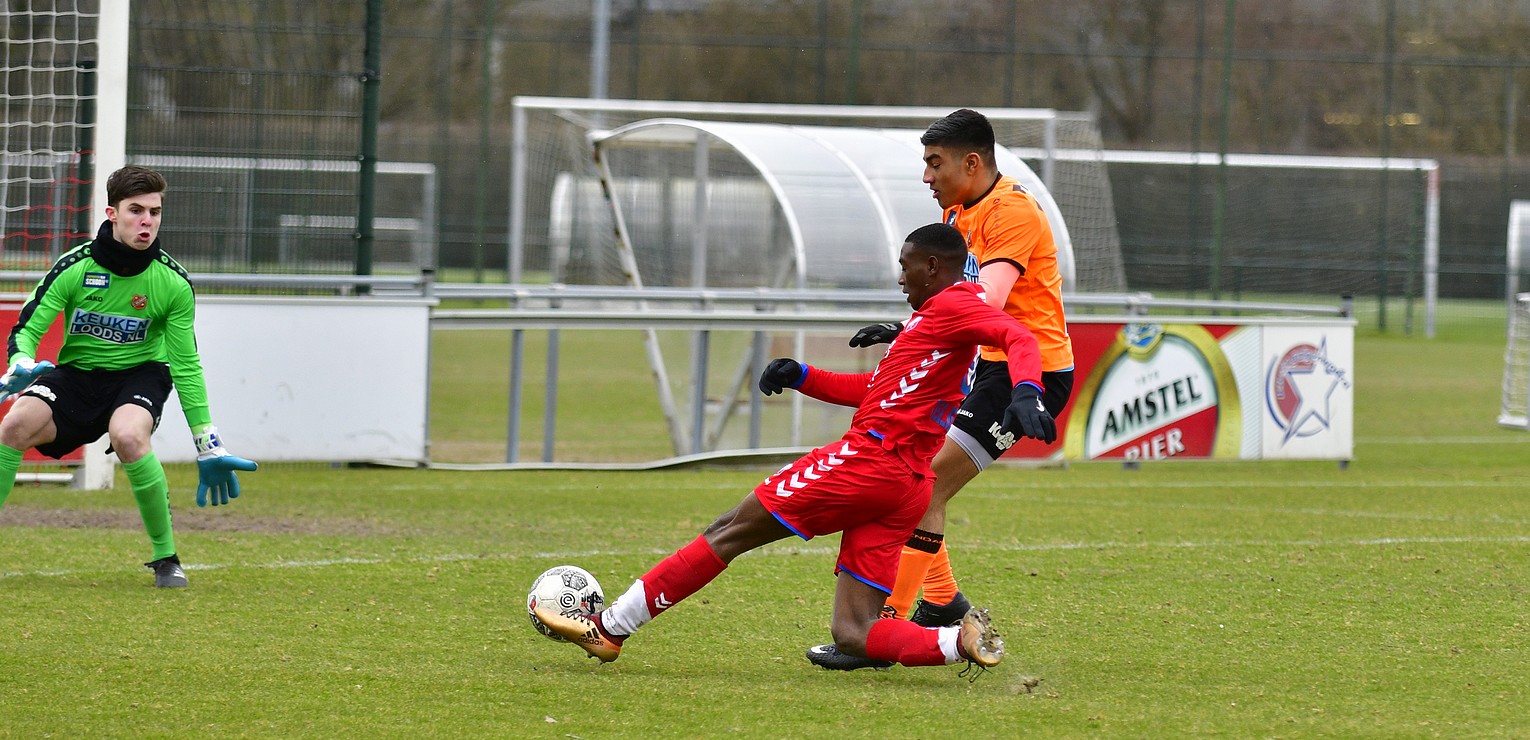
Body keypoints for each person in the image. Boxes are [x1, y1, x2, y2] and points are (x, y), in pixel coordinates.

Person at [533, 223, 1056, 673]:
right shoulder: (936, 320)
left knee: (728, 531)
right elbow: (878, 390)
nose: (900, 277)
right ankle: (956, 642)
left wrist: (1030, 389)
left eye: (906, 266)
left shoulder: (955, 307)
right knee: (854, 631)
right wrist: (803, 376)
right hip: (908, 484)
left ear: (933, 265)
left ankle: (610, 628)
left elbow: (1020, 339)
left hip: (867, 463)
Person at [808, 109, 1075, 670]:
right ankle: (941, 601)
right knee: (916, 475)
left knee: (922, 487)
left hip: (1031, 375)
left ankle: (886, 626)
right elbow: (955, 299)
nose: (926, 176)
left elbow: (988, 303)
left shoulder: (1014, 213)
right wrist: (910, 325)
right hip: (987, 366)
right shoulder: (958, 210)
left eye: (935, 163)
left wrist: (913, 329)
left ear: (971, 162)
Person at [0, 165, 258, 588]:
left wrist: (207, 440)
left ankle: (166, 557)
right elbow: (27, 327)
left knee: (129, 436)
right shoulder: (74, 267)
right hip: (77, 376)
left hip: (139, 376)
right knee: (14, 424)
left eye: (154, 212)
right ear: (111, 214)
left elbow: (186, 364)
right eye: (135, 210)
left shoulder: (172, 283)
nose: (147, 221)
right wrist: (22, 361)